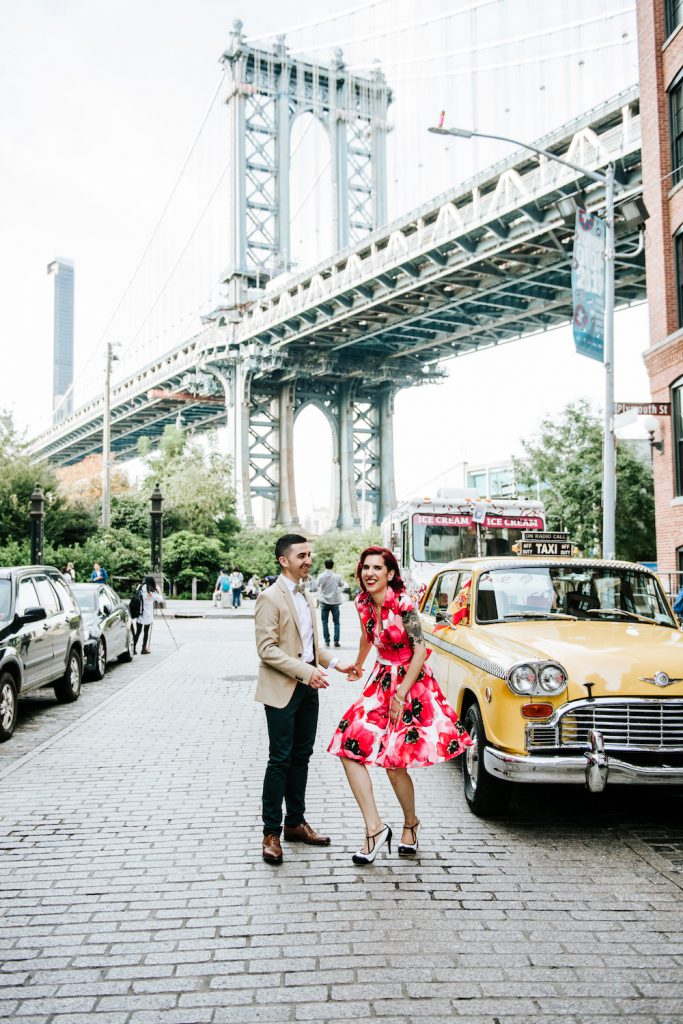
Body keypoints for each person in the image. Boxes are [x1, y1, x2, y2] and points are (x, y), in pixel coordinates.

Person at [328, 546, 472, 866]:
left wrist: (401, 694)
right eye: (365, 567)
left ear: (390, 574)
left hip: (411, 682)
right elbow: (368, 637)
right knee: (346, 745)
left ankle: (411, 824)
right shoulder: (362, 603)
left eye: (377, 568)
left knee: (395, 765)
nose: (370, 573)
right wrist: (357, 664)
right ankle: (375, 829)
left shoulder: (404, 605)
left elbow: (420, 652)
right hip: (381, 681)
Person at [254, 533, 350, 866]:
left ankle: (295, 822)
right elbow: (267, 651)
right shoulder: (270, 597)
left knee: (302, 757)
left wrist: (337, 663)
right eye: (301, 556)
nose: (308, 560)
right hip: (282, 690)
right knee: (279, 759)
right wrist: (305, 672)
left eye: (310, 555)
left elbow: (311, 648)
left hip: (309, 689)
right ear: (284, 560)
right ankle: (271, 833)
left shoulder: (307, 594)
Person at [317, 558, 344, 648]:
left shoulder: (321, 576)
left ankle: (327, 641)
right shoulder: (337, 576)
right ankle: (336, 641)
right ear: (333, 566)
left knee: (325, 622)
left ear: (325, 565)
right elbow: (341, 584)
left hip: (324, 602)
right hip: (335, 603)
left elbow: (318, 585)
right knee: (336, 622)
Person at [134, 576, 161, 654]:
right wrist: (159, 590)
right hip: (148, 614)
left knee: (138, 631)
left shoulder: (140, 588)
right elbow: (160, 599)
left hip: (139, 613)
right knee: (146, 631)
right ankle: (143, 649)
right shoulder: (152, 591)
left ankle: (133, 648)